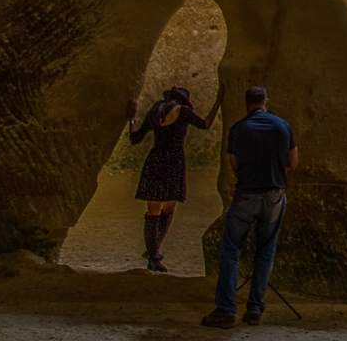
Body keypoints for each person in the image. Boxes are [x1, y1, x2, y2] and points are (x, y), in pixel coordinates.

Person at [202, 85, 298, 328]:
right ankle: (254, 309)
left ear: (247, 104)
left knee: (231, 250)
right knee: (265, 252)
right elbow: (293, 163)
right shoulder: (283, 126)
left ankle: (226, 310)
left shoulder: (238, 129)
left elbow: (234, 165)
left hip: (246, 196)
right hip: (274, 196)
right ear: (267, 102)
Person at [125, 74, 223, 272]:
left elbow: (135, 138)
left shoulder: (155, 111)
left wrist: (131, 117)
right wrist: (218, 103)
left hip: (155, 160)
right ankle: (153, 253)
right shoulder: (184, 112)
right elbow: (205, 125)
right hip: (174, 162)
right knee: (168, 210)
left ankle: (153, 254)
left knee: (153, 210)